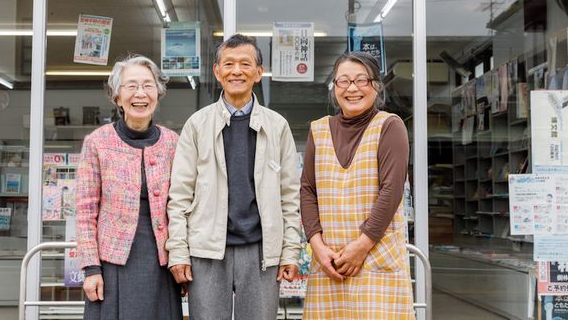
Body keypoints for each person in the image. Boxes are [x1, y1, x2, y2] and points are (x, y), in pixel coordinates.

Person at [166, 34, 301, 320]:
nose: (236, 71)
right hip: (207, 251)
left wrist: (290, 250)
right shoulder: (197, 125)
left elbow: (290, 196)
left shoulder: (277, 126)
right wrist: (178, 251)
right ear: (217, 71)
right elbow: (179, 196)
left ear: (258, 72)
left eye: (245, 64)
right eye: (228, 64)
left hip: (261, 251)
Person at [300, 51, 414, 319]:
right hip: (330, 262)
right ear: (334, 88)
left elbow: (392, 190)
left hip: (375, 257)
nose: (352, 88)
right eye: (344, 81)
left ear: (376, 85)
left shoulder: (389, 126)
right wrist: (316, 245)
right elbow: (307, 190)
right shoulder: (318, 130)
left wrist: (362, 246)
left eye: (361, 80)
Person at [76, 55, 183, 320]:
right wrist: (91, 268)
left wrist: (183, 257)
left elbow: (184, 205)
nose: (140, 94)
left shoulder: (173, 143)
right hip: (112, 264)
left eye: (148, 85)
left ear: (158, 93)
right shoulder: (97, 142)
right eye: (131, 86)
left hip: (161, 261)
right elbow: (85, 211)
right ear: (116, 95)